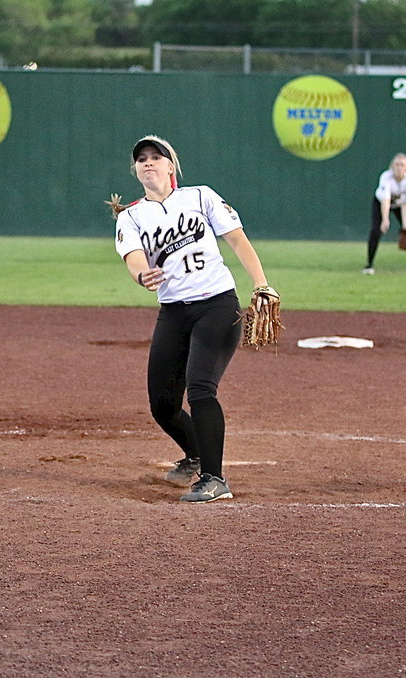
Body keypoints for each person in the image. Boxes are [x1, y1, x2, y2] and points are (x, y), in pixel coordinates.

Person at [108, 135, 276, 504]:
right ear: (136, 170)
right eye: (141, 159)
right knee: (162, 405)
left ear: (171, 166)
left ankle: (215, 479)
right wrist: (141, 275)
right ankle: (196, 454)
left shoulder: (201, 196)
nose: (148, 163)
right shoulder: (132, 216)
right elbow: (134, 258)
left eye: (156, 157)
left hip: (217, 305)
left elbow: (237, 239)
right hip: (173, 312)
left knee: (200, 388)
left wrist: (261, 282)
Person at [363, 153, 406, 276]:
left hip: (400, 205)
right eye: (396, 165)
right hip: (381, 203)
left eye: (402, 165)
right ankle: (369, 265)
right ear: (392, 167)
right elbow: (385, 200)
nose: (399, 168)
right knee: (376, 231)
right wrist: (385, 220)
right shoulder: (386, 177)